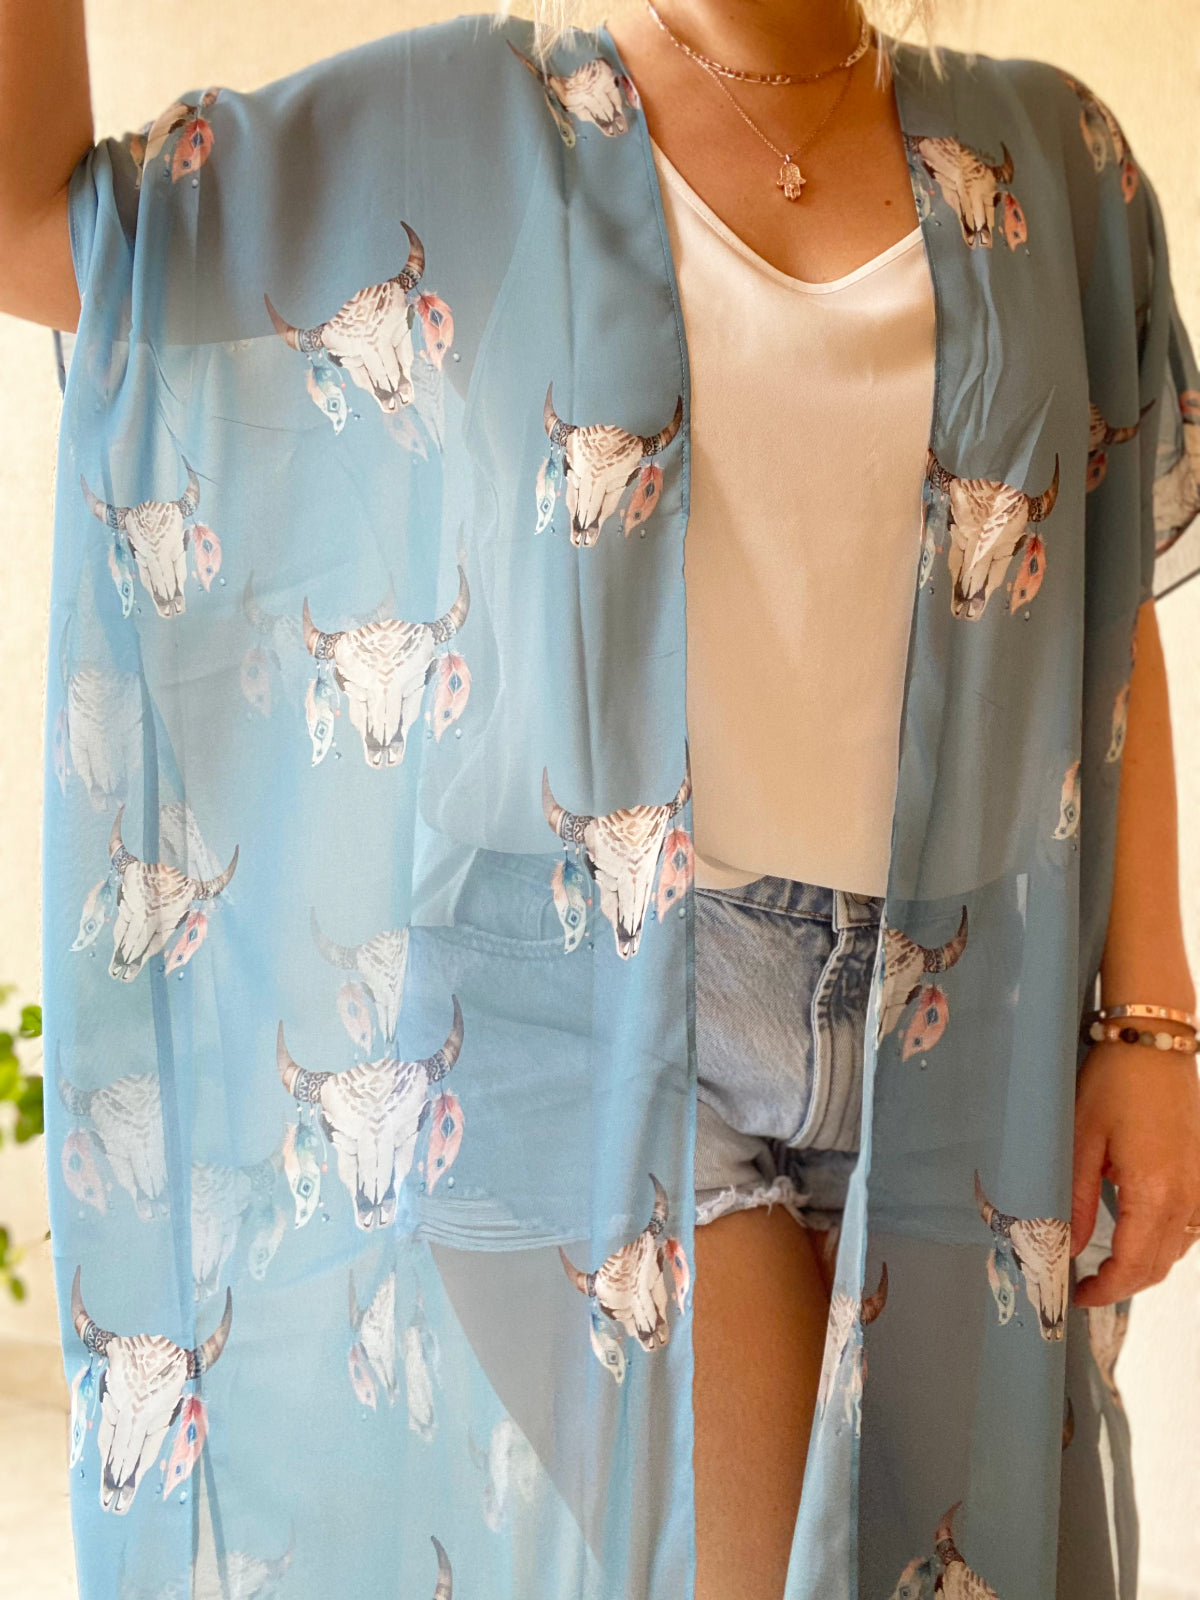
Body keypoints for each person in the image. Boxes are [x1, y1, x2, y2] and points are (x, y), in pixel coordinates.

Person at [1, 2, 1199, 1598]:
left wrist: (1152, 1026)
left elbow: (1104, 615)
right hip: (579, 1014)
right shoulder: (470, 127)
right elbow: (41, 230)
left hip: (963, 1023)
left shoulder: (1060, 161)